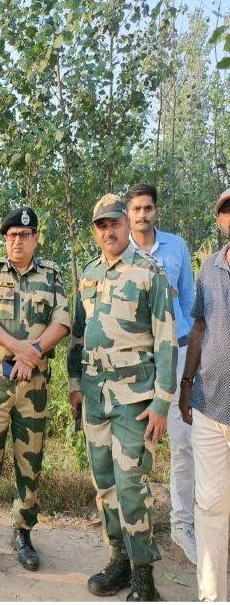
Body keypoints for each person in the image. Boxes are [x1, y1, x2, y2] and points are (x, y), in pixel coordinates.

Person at [67, 193, 176, 601]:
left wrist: (161, 403)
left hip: (136, 400)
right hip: (95, 398)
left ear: (127, 224)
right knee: (105, 485)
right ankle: (119, 561)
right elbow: (78, 335)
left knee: (132, 486)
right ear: (95, 231)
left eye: (114, 222)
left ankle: (144, 577)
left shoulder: (149, 272)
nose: (108, 230)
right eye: (101, 225)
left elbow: (166, 339)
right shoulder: (89, 274)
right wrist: (74, 384)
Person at [0, 207, 71, 575]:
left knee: (29, 461)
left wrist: (32, 353)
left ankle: (23, 532)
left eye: (23, 235)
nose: (17, 241)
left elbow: (62, 322)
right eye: (11, 236)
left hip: (33, 384)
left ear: (36, 238)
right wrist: (18, 347)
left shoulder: (51, 276)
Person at [126, 182, 198, 565]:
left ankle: (183, 523)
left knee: (185, 441)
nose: (142, 215)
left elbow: (188, 299)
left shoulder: (177, 247)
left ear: (156, 211)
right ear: (128, 214)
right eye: (136, 209)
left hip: (180, 352)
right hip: (142, 357)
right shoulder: (122, 251)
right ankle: (139, 524)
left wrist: (186, 342)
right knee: (139, 442)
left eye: (148, 208)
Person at [177, 187, 230, 602]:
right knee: (210, 506)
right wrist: (186, 384)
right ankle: (212, 601)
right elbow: (198, 328)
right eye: (227, 211)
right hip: (210, 404)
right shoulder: (209, 268)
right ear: (220, 221)